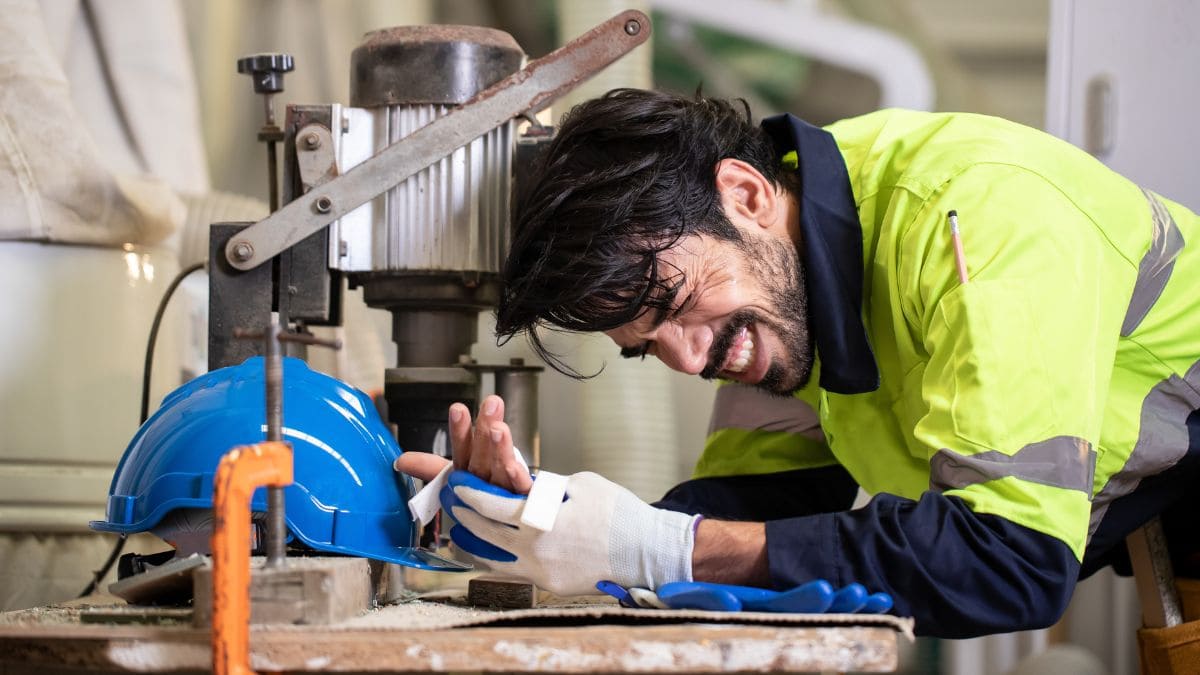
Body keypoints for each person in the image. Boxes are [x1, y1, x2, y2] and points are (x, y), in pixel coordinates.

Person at [395, 88, 1200, 638]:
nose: (688, 359)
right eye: (645, 346)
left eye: (674, 304)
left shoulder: (976, 222)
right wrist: (551, 521)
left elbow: (1008, 560)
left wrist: (656, 547)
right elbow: (762, 505)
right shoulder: (785, 279)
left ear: (744, 194)